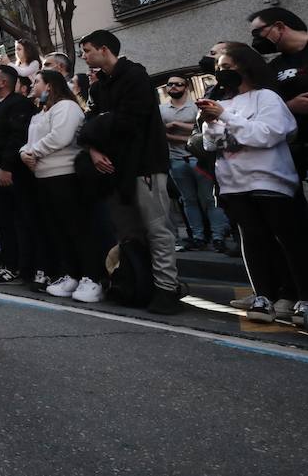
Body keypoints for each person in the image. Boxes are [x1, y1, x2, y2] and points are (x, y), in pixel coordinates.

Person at [200, 43, 308, 325]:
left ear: (245, 66)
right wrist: (211, 122)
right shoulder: (224, 102)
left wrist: (224, 117)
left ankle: (303, 298)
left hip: (271, 181)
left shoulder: (267, 98)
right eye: (218, 69)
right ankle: (264, 296)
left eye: (226, 67)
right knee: (254, 240)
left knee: (290, 241)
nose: (221, 73)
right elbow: (214, 144)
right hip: (235, 184)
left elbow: (266, 135)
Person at [80, 29, 183, 314]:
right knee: (129, 231)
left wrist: (100, 125)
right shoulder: (99, 87)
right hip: (114, 169)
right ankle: (140, 284)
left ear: (104, 49)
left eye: (87, 50)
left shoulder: (135, 76)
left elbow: (128, 121)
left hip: (145, 165)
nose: (84, 57)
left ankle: (167, 289)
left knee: (156, 228)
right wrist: (93, 148)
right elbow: (88, 124)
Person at [22, 70, 104, 302]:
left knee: (77, 227)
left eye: (37, 81)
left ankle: (92, 277)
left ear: (49, 85)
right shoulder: (41, 112)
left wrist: (32, 152)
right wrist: (24, 153)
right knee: (58, 229)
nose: (33, 85)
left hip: (65, 175)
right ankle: (71, 274)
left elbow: (61, 137)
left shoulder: (66, 107)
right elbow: (28, 142)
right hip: (43, 176)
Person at [0, 65, 39, 288]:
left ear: (3, 82)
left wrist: (6, 167)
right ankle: (9, 265)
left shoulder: (19, 104)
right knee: (2, 222)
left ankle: (24, 268)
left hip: (14, 174)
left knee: (20, 221)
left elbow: (17, 137)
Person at [162, 74, 229, 252]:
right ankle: (198, 237)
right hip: (176, 160)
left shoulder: (196, 107)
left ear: (187, 87)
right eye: (170, 84)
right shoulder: (161, 109)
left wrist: (176, 127)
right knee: (188, 200)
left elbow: (202, 131)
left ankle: (218, 236)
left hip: (199, 159)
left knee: (209, 198)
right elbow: (161, 134)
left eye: (178, 84)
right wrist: (186, 134)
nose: (173, 87)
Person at [248, 7, 308, 176]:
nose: (255, 40)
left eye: (257, 32)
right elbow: (263, 107)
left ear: (280, 27)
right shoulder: (273, 67)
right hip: (298, 150)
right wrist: (290, 106)